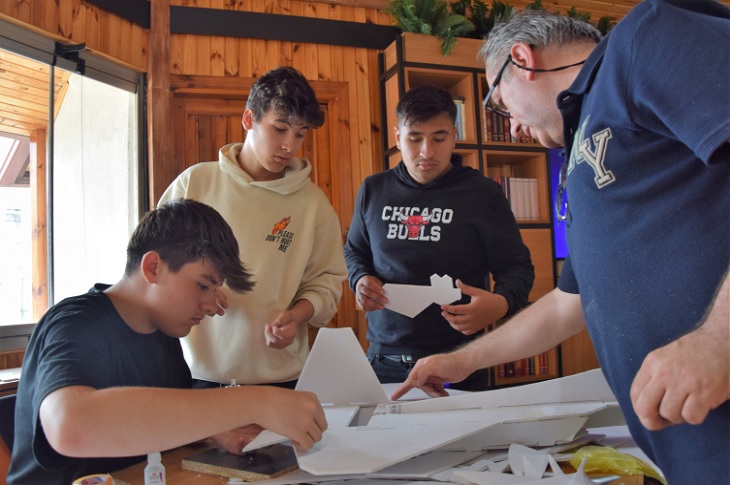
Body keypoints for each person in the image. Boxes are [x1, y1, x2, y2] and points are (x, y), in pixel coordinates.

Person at [393, 2, 730, 482]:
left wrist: (719, 341)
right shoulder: (577, 155)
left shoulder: (643, 39)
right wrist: (460, 360)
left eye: (498, 103)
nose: (509, 125)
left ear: (523, 60)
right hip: (693, 444)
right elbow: (568, 303)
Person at [8, 199, 328, 485]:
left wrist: (216, 429)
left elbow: (157, 419)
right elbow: (69, 425)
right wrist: (258, 401)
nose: (210, 304)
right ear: (153, 267)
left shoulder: (163, 334)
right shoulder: (76, 322)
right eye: (203, 286)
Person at [158, 66, 347, 389]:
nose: (290, 145)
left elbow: (328, 283)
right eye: (280, 129)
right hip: (195, 373)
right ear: (249, 120)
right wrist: (197, 288)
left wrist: (298, 316)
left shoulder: (313, 204)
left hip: (280, 378)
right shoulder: (195, 183)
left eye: (300, 134)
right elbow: (154, 263)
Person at [344, 84, 534, 391]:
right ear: (397, 137)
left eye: (439, 138)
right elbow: (355, 251)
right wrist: (360, 279)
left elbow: (517, 268)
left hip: (458, 362)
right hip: (383, 362)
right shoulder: (373, 190)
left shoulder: (482, 193)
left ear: (454, 135)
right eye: (414, 138)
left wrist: (499, 304)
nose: (426, 152)